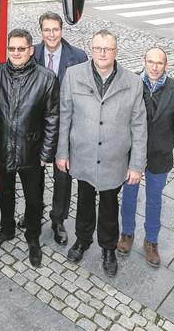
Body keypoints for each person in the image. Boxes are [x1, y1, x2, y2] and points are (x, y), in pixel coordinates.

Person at [56, 29, 147, 277]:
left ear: (116, 52)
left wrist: (137, 165)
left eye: (107, 48)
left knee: (109, 205)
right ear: (92, 49)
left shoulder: (133, 82)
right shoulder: (74, 75)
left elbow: (139, 126)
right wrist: (61, 153)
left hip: (114, 160)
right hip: (82, 156)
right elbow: (65, 117)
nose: (102, 53)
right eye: (98, 48)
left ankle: (108, 248)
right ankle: (83, 240)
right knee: (84, 200)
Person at [0, 28, 59, 267]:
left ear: (30, 50)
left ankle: (33, 236)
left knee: (33, 198)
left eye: (21, 48)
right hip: (1, 146)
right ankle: (6, 229)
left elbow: (52, 118)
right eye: (11, 48)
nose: (15, 53)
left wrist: (46, 152)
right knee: (5, 193)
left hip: (31, 151)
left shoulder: (46, 78)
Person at [118, 47, 174, 267]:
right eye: (150, 62)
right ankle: (127, 234)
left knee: (154, 200)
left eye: (159, 63)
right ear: (144, 62)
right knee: (129, 196)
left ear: (166, 65)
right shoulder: (131, 84)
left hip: (160, 155)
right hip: (132, 155)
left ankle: (151, 242)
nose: (154, 67)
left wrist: (163, 141)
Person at [30, 12, 88, 245]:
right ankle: (33, 213)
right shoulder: (31, 53)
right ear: (41, 31)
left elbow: (85, 95)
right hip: (37, 127)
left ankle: (58, 219)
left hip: (65, 128)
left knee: (62, 177)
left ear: (62, 30)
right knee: (34, 175)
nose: (51, 34)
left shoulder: (79, 56)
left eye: (55, 29)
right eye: (47, 30)